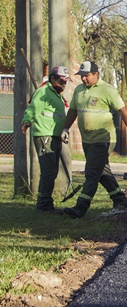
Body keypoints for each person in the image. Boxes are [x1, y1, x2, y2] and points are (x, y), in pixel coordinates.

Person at [62, 61, 127, 218]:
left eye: (86, 76)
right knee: (102, 171)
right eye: (81, 77)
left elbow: (123, 111)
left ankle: (81, 207)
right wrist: (65, 128)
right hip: (87, 140)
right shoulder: (79, 90)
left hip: (103, 139)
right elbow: (73, 111)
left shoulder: (107, 89)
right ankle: (120, 199)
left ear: (95, 74)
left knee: (92, 173)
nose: (84, 79)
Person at [21, 66, 71, 214]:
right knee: (48, 171)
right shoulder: (43, 92)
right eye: (61, 80)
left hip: (55, 136)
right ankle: (43, 205)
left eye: (65, 81)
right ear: (53, 78)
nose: (64, 84)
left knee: (52, 171)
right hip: (45, 135)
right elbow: (32, 109)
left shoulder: (57, 95)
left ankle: (46, 203)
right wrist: (27, 121)